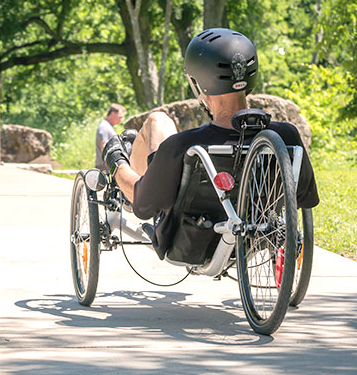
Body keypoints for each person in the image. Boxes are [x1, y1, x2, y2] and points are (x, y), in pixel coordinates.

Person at [103, 28, 319, 259]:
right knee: (158, 122)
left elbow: (144, 206)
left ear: (201, 82)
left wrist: (116, 163)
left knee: (157, 121)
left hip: (189, 243)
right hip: (256, 238)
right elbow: (304, 197)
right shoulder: (287, 136)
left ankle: (132, 164)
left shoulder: (182, 146)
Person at [95, 103, 126, 171]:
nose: (121, 120)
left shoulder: (108, 126)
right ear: (112, 114)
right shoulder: (104, 127)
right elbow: (103, 147)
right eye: (120, 117)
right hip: (105, 167)